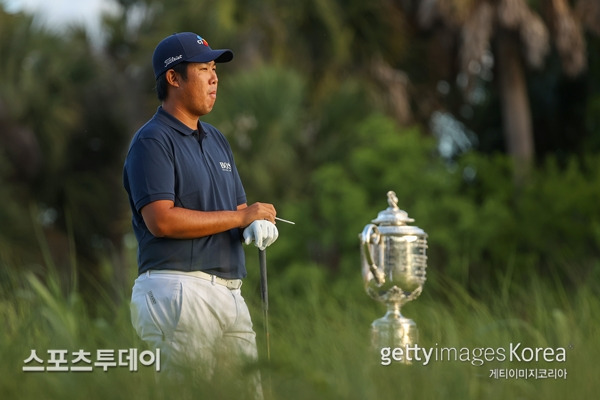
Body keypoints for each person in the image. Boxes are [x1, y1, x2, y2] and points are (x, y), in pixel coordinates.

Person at [123, 32, 278, 397]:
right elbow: (161, 220)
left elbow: (237, 211)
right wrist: (241, 218)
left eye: (214, 69)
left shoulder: (217, 139)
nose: (214, 77)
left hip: (230, 294)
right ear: (174, 78)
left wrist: (255, 222)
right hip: (178, 291)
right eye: (204, 68)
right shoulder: (152, 140)